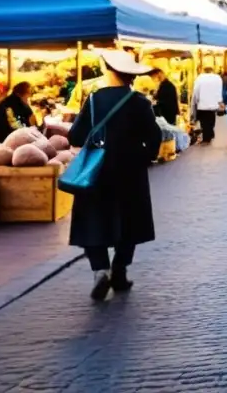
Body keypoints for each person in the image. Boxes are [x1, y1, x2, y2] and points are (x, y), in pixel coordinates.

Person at [68, 50, 162, 301]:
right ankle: (119, 270)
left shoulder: (93, 100)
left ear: (108, 71)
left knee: (93, 218)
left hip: (96, 170)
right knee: (129, 221)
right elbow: (154, 138)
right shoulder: (140, 102)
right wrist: (144, 158)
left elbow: (75, 136)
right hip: (130, 170)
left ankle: (100, 269)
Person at [191, 64, 223, 144]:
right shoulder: (217, 78)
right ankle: (210, 133)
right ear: (212, 70)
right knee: (211, 119)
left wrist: (196, 101)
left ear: (204, 70)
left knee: (204, 121)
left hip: (202, 104)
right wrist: (219, 101)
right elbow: (219, 91)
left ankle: (206, 137)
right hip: (213, 104)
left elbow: (196, 91)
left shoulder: (199, 78)